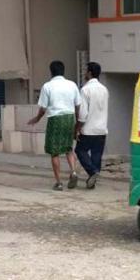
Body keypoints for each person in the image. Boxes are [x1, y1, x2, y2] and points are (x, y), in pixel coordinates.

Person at [28, 61, 81, 191]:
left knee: (54, 152)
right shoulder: (72, 85)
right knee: (69, 148)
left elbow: (43, 108)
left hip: (55, 119)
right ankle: (73, 171)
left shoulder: (47, 86)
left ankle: (59, 182)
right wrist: (77, 120)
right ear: (63, 71)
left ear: (51, 72)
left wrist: (37, 118)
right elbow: (78, 105)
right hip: (69, 117)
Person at [74, 62, 109, 190]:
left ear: (89, 73)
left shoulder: (85, 90)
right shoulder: (104, 89)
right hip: (101, 129)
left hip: (88, 129)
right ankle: (92, 180)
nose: (84, 73)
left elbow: (83, 114)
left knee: (80, 150)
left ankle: (92, 172)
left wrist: (77, 128)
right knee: (96, 155)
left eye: (86, 71)